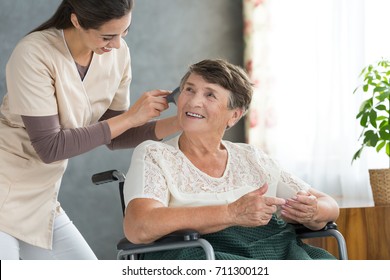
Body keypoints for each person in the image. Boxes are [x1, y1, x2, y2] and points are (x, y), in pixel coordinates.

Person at [0, 0, 179, 260]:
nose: (117, 44)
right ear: (76, 21)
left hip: (41, 197)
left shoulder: (117, 54)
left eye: (124, 32)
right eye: (108, 36)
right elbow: (51, 147)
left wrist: (179, 123)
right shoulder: (34, 53)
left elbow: (116, 136)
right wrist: (130, 117)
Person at [123, 59, 340, 260]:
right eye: (189, 90)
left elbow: (329, 204)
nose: (194, 101)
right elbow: (139, 226)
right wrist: (231, 213)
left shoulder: (251, 157)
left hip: (275, 250)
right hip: (200, 255)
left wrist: (313, 212)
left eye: (210, 95)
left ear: (234, 115)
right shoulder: (155, 155)